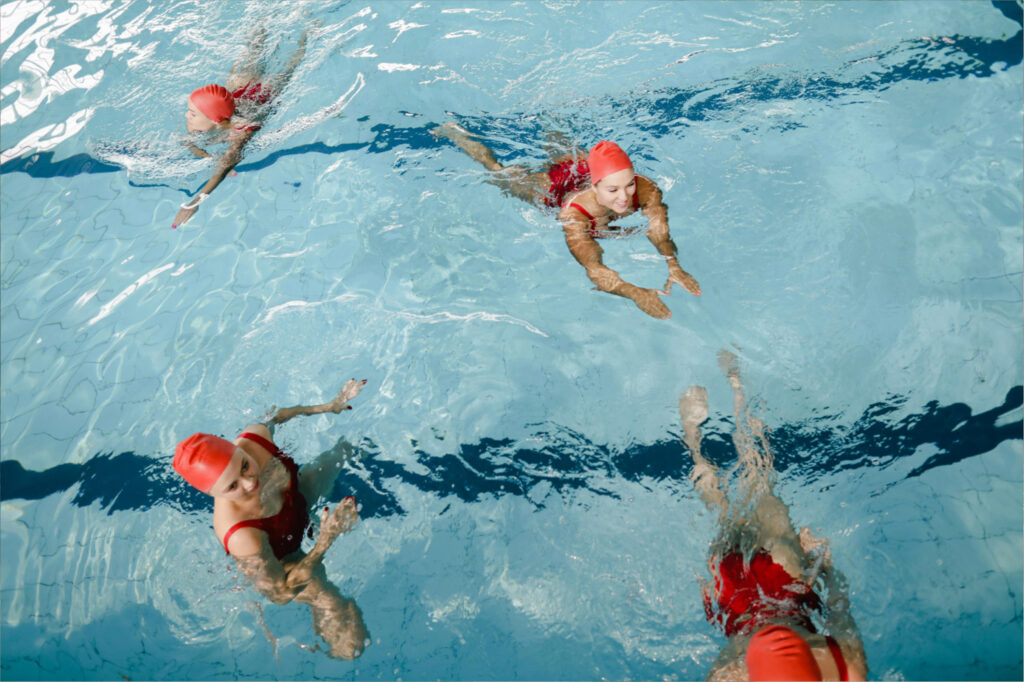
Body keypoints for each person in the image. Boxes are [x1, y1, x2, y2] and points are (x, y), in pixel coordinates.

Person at [679, 351, 868, 681]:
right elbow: (840, 610)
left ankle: (734, 393)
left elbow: (840, 607)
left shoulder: (849, 668)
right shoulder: (847, 669)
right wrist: (822, 567)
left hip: (785, 583)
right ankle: (693, 430)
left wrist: (822, 566)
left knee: (759, 479)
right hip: (737, 603)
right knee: (722, 508)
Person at [173, 378, 369, 659]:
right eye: (232, 486)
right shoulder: (241, 535)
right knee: (343, 627)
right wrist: (325, 540)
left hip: (297, 499)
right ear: (212, 493)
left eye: (244, 465)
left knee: (349, 447)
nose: (250, 481)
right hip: (288, 558)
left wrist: (329, 406)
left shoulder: (255, 439)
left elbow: (278, 415)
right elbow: (281, 594)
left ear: (239, 448)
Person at [433, 124, 701, 319]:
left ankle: (549, 119)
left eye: (629, 185)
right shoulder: (574, 216)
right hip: (554, 189)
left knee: (561, 142)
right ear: (595, 187)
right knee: (501, 174)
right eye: (613, 191)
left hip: (591, 168)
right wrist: (635, 293)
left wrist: (673, 264)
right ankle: (456, 134)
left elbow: (658, 229)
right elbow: (594, 268)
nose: (624, 198)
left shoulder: (646, 188)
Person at [173, 28, 308, 228]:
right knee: (254, 47)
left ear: (215, 121)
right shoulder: (213, 118)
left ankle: (307, 34)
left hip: (264, 96)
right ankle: (261, 22)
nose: (186, 116)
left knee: (291, 64)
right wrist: (208, 157)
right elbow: (186, 141)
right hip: (238, 89)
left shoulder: (241, 132)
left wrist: (194, 203)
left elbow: (223, 169)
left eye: (192, 114)